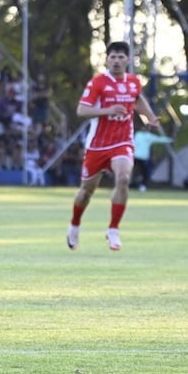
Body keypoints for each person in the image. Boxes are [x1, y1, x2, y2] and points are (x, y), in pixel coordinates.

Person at [66, 41, 159, 252]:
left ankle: (114, 229)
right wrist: (107, 110)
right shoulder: (98, 83)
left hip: (123, 141)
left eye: (120, 57)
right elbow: (82, 110)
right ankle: (74, 225)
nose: (116, 61)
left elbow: (137, 99)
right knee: (86, 191)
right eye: (113, 57)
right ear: (107, 59)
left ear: (128, 60)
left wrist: (150, 117)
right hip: (97, 146)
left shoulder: (134, 82)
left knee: (124, 178)